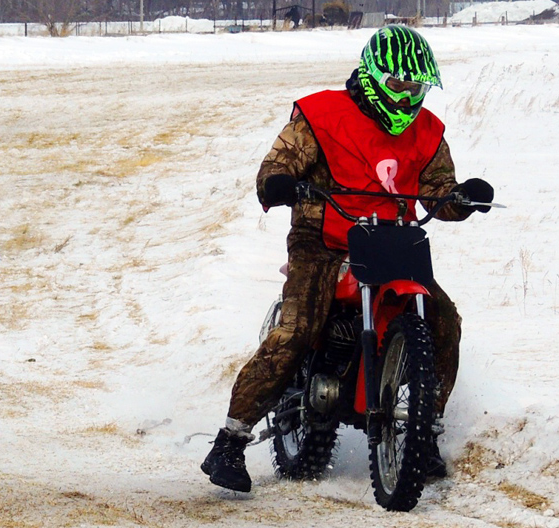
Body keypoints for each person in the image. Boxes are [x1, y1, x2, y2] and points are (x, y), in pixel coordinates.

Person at [201, 25, 494, 493]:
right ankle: (230, 440)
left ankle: (424, 432)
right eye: (398, 86)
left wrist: (461, 197)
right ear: (375, 78)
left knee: (444, 319)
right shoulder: (319, 116)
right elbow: (274, 168)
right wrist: (282, 183)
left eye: (415, 88)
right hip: (322, 241)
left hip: (391, 242)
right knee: (298, 329)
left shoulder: (428, 131)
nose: (406, 98)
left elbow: (438, 190)